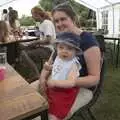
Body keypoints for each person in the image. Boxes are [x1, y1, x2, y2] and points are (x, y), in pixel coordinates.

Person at [30, 3, 101, 119]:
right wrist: (42, 79)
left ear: (73, 18)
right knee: (27, 96)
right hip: (53, 82)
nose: (59, 24)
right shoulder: (61, 39)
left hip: (79, 88)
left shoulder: (88, 41)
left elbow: (94, 78)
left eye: (63, 19)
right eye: (56, 21)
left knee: (48, 116)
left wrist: (64, 81)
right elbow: (49, 64)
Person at [45, 32, 82, 120]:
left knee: (55, 112)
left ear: (75, 51)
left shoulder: (73, 64)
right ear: (56, 48)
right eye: (61, 47)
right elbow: (57, 68)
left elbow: (71, 82)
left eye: (69, 48)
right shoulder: (58, 58)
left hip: (65, 91)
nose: (64, 51)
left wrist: (55, 82)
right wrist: (49, 67)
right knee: (45, 103)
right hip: (54, 87)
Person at [19, 6, 56, 82]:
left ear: (37, 14)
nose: (32, 16)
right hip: (43, 48)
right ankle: (32, 72)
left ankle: (36, 74)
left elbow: (48, 40)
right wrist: (34, 44)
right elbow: (42, 39)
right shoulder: (41, 24)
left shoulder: (47, 23)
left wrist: (35, 42)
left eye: (32, 14)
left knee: (23, 53)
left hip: (48, 50)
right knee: (23, 47)